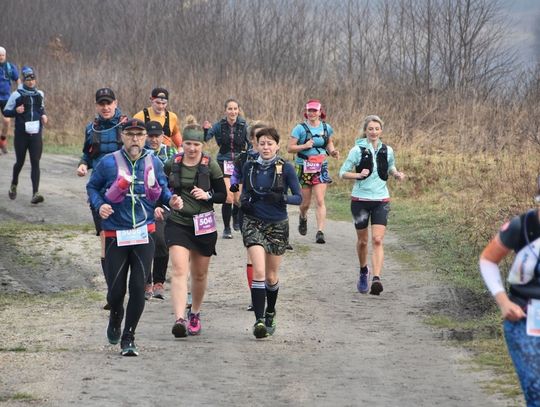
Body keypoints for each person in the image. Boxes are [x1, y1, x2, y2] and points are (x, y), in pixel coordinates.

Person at [87, 118, 183, 356]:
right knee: (116, 291)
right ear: (122, 136)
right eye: (130, 135)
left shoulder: (154, 162)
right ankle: (115, 315)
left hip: (144, 232)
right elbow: (92, 187)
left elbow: (162, 189)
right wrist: (100, 206)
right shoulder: (108, 163)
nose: (135, 139)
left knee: (139, 287)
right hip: (115, 233)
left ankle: (129, 337)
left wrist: (171, 200)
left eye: (139, 135)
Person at [162, 119, 227, 338]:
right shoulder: (173, 163)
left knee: (199, 275)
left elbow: (223, 195)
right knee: (179, 270)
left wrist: (207, 195)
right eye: (188, 144)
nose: (191, 149)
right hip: (178, 222)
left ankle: (195, 313)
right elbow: (160, 189)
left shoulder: (211, 165)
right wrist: (167, 202)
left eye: (196, 145)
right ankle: (179, 319)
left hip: (203, 225)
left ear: (202, 146)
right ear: (183, 144)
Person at [479, 179, 540, 406]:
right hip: (524, 320)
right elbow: (487, 259)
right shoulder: (521, 226)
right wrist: (503, 302)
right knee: (536, 390)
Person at [239, 126, 302, 338]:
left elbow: (299, 198)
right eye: (261, 143)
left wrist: (282, 198)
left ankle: (270, 311)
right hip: (253, 222)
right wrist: (244, 202)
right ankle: (258, 321)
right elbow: (244, 191)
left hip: (277, 224)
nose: (265, 147)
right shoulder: (249, 166)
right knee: (258, 271)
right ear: (256, 145)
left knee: (271, 276)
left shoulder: (286, 168)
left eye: (269, 143)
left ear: (277, 145)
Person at [339, 115, 405, 295]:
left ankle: (376, 278)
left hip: (381, 199)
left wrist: (396, 174)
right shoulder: (357, 150)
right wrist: (357, 176)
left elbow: (390, 166)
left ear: (381, 131)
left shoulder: (388, 150)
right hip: (360, 200)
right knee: (363, 241)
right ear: (365, 131)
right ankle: (363, 271)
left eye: (377, 129)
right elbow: (342, 172)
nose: (374, 132)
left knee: (377, 239)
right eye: (370, 129)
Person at [77, 88, 126, 309]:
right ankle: (112, 292)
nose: (105, 107)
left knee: (126, 241)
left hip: (124, 192)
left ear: (115, 103)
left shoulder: (127, 126)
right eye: (101, 104)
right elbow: (87, 153)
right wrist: (83, 164)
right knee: (106, 242)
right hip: (100, 193)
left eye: (109, 103)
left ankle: (140, 283)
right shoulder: (92, 128)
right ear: (97, 105)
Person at [288, 99, 339, 244]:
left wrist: (333, 151)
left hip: (320, 165)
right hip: (303, 166)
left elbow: (328, 142)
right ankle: (303, 217)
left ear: (320, 112)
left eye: (314, 110)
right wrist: (304, 146)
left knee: (320, 199)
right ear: (306, 112)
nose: (312, 113)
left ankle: (320, 232)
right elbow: (290, 148)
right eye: (309, 110)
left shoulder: (326, 127)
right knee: (305, 203)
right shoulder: (299, 128)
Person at [230, 121, 267, 311]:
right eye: (259, 137)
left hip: (271, 213)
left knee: (268, 255)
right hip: (250, 210)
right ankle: (256, 295)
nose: (264, 142)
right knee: (252, 254)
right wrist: (239, 198)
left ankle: (267, 288)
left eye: (267, 138)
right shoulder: (243, 159)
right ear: (252, 139)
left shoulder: (276, 160)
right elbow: (235, 179)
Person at [203, 98, 249, 239]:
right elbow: (206, 139)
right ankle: (227, 228)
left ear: (238, 110)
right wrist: (205, 130)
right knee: (228, 197)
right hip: (224, 162)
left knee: (238, 198)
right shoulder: (218, 126)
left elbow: (251, 143)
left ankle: (235, 217)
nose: (233, 111)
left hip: (239, 163)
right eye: (230, 109)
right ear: (225, 110)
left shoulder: (244, 125)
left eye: (235, 109)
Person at [143, 120, 177, 300]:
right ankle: (146, 282)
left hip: (164, 203)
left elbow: (172, 182)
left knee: (162, 241)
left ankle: (159, 282)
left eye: (157, 136)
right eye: (150, 136)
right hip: (144, 204)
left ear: (163, 137)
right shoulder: (141, 154)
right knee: (145, 242)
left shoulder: (171, 153)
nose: (154, 139)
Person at [4, 66, 47, 203]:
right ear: (23, 80)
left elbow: (41, 109)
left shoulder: (39, 94)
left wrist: (44, 116)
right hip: (21, 135)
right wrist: (16, 111)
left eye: (33, 79)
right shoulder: (16, 94)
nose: (31, 82)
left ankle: (35, 193)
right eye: (28, 79)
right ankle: (14, 184)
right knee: (20, 162)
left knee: (35, 162)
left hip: (36, 134)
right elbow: (6, 111)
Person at [0, 46, 20, 154]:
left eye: (2, 55)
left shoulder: (9, 67)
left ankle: (2, 140)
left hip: (6, 98)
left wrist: (21, 91)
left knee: (7, 121)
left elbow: (17, 80)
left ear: (5, 56)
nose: (1, 57)